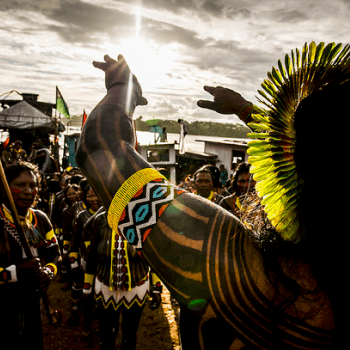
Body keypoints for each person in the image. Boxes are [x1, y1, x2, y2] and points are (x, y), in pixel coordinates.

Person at [76, 43, 345, 349]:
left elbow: (100, 147)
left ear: (285, 166)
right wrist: (244, 108)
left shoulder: (240, 266)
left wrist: (123, 88)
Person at [0, 161, 61, 349]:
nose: (28, 191)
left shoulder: (40, 219)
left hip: (32, 301)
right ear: (4, 189)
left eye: (33, 185)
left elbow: (55, 255)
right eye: (20, 185)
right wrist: (16, 272)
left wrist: (48, 273)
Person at [83, 208, 162, 349]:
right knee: (107, 333)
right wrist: (87, 288)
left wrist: (156, 287)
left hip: (136, 288)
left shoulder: (144, 220)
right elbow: (92, 256)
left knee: (130, 333)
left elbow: (152, 256)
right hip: (105, 288)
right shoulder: (100, 220)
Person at [67, 182, 101, 328]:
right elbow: (74, 243)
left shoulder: (108, 215)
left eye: (95, 195)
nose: (92, 199)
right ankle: (78, 315)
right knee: (81, 290)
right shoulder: (81, 216)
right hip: (84, 262)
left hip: (101, 264)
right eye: (89, 196)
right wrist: (74, 264)